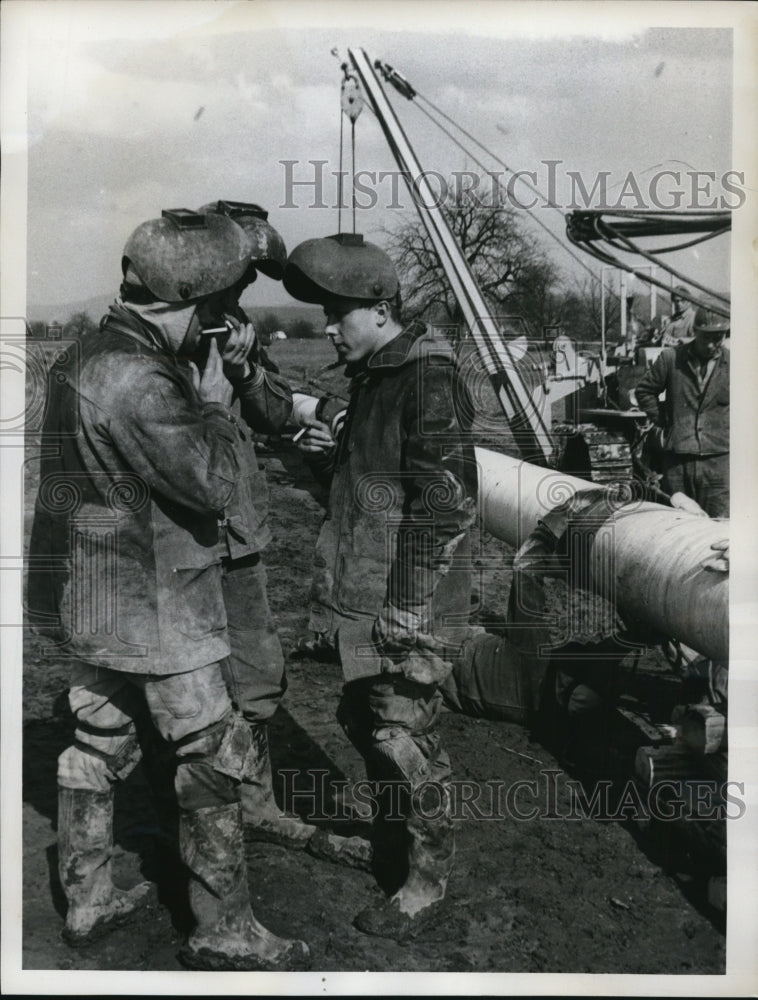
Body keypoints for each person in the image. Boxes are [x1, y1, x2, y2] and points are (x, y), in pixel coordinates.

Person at [28, 209, 310, 971]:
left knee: (93, 748)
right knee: (212, 755)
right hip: (157, 602)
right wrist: (214, 404)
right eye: (212, 312)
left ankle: (86, 901)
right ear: (184, 299)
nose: (219, 327)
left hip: (91, 596)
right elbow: (213, 484)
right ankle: (224, 928)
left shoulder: (85, 354)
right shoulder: (142, 378)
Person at [283, 232, 478, 941]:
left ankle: (426, 883)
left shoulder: (424, 375)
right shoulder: (378, 371)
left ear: (377, 307)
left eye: (338, 314)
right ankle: (395, 845)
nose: (329, 328)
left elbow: (446, 503)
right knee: (367, 726)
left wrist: (406, 607)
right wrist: (327, 459)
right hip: (368, 594)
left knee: (407, 741)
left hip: (407, 602)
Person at [194, 200, 315, 849]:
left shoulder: (237, 328)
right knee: (182, 685)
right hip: (181, 536)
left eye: (247, 282)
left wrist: (243, 368)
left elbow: (273, 416)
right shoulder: (169, 331)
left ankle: (255, 802)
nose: (241, 290)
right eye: (237, 276)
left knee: (259, 672)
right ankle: (200, 807)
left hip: (237, 534)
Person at [635, 303, 729, 518]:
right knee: (676, 522)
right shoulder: (671, 359)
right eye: (707, 337)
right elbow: (644, 391)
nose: (712, 345)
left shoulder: (735, 363)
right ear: (695, 332)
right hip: (678, 461)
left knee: (719, 526)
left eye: (719, 337)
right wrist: (666, 420)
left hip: (718, 463)